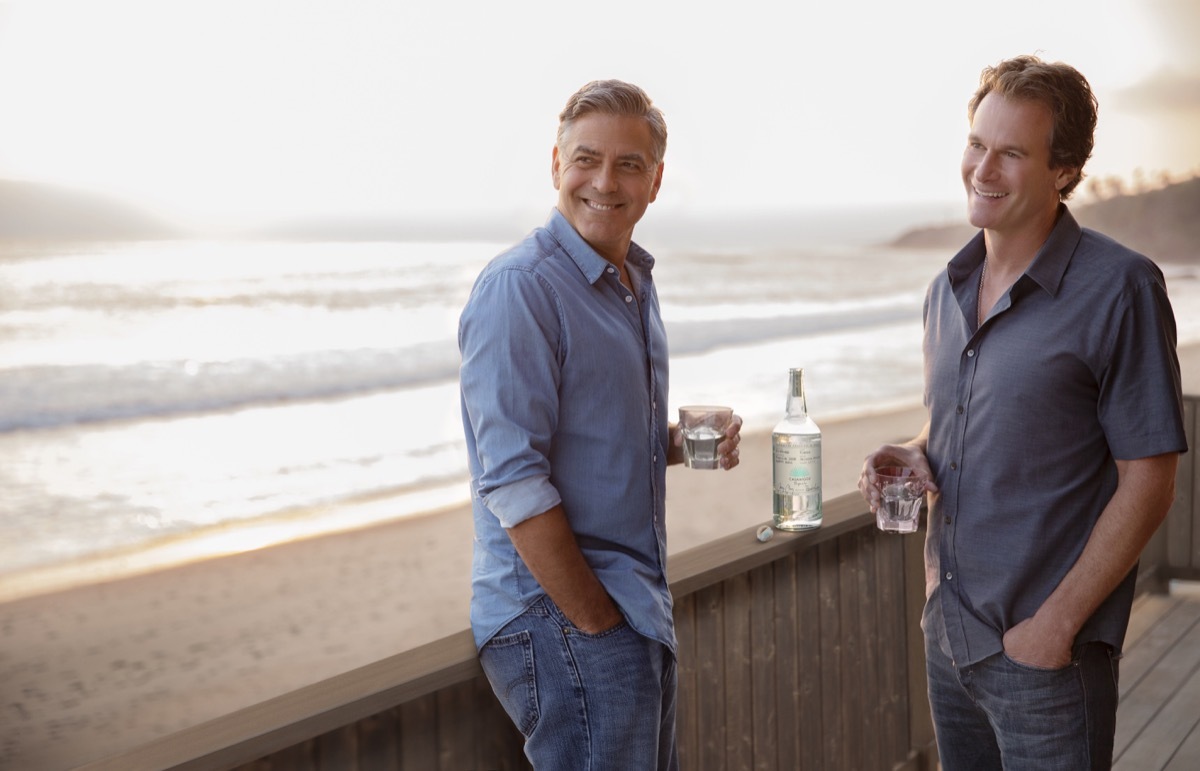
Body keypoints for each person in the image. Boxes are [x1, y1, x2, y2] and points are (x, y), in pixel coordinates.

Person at [858, 55, 1187, 769]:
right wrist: (921, 451)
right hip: (950, 641)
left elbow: (1150, 481)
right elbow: (971, 421)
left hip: (1047, 657)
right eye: (978, 144)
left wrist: (1054, 626)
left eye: (1012, 153)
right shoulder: (944, 289)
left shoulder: (1120, 288)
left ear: (1063, 170)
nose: (984, 168)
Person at [458, 79, 742, 769]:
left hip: (631, 610)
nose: (604, 182)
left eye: (629, 164)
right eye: (586, 159)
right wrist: (594, 622)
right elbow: (515, 481)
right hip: (562, 614)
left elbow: (583, 444)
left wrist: (675, 440)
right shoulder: (520, 288)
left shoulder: (631, 282)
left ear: (656, 181)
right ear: (556, 164)